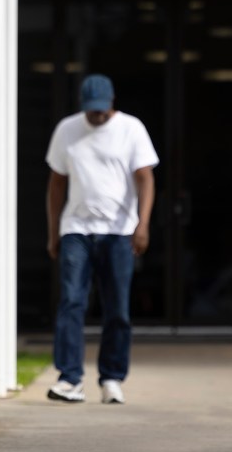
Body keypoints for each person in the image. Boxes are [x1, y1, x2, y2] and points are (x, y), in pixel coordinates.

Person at [45, 74, 159, 404]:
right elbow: (55, 185)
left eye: (101, 110)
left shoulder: (131, 129)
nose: (95, 116)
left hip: (119, 231)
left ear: (112, 103)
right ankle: (69, 379)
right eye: (90, 110)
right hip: (76, 230)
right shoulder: (67, 130)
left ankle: (111, 378)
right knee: (71, 302)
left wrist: (142, 224)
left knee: (118, 309)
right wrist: (54, 232)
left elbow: (146, 180)